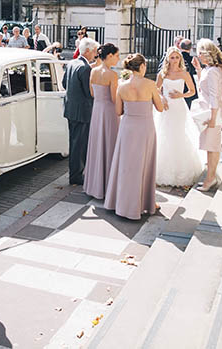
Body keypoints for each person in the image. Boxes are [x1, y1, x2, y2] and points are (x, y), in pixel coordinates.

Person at [103, 54, 164, 219]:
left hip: (128, 128)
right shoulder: (151, 85)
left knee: (126, 166)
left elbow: (118, 112)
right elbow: (160, 108)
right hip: (145, 128)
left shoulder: (121, 86)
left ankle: (123, 204)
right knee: (144, 165)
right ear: (142, 66)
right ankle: (145, 203)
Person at [154, 47, 203, 186]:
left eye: (177, 57)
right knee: (164, 134)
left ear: (180, 59)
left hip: (179, 107)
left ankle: (181, 169)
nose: (174, 60)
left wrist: (181, 95)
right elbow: (156, 89)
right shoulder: (162, 74)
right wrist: (162, 98)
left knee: (179, 134)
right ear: (168, 58)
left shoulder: (184, 73)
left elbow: (192, 91)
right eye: (172, 57)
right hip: (165, 107)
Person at [82, 43, 120, 199]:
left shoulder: (93, 71)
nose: (118, 59)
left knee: (97, 145)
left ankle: (94, 185)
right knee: (109, 144)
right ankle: (108, 186)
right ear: (109, 56)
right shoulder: (112, 75)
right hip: (108, 112)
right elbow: (113, 98)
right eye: (117, 56)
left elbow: (92, 93)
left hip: (97, 110)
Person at [192, 38, 222, 191]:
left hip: (212, 113)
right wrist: (199, 70)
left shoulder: (213, 71)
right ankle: (211, 175)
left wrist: (213, 117)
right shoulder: (210, 69)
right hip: (209, 111)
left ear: (207, 53)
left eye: (200, 53)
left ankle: (210, 178)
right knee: (210, 146)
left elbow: (214, 95)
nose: (198, 55)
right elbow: (203, 88)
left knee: (212, 146)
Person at [62, 37, 98, 185]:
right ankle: (76, 176)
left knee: (74, 143)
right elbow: (89, 92)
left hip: (70, 109)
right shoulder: (85, 68)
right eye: (94, 51)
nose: (95, 54)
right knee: (79, 144)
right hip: (82, 111)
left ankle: (75, 173)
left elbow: (64, 83)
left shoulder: (72, 62)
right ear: (88, 51)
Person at [179, 39, 198, 109]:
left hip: (178, 83)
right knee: (187, 107)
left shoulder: (178, 58)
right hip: (188, 84)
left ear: (180, 47)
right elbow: (193, 70)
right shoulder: (191, 59)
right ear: (190, 48)